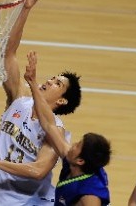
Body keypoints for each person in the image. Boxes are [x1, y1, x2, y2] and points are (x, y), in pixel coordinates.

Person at [0, 0, 82, 206]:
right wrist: (25, 9)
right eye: (53, 78)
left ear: (63, 101)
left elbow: (38, 171)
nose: (50, 81)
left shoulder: (57, 132)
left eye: (58, 83)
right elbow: (9, 54)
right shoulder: (19, 99)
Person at [24, 50, 111, 205]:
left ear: (81, 161)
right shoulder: (71, 159)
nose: (72, 145)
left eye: (77, 146)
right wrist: (32, 83)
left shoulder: (90, 197)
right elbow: (48, 124)